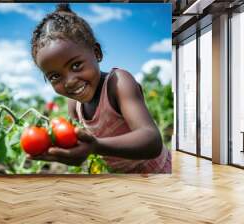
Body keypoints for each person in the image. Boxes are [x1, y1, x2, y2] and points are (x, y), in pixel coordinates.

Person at [28, 3, 171, 173]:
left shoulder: (118, 83)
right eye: (55, 76)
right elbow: (82, 144)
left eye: (75, 65)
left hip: (157, 174)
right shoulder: (74, 105)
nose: (70, 81)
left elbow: (151, 141)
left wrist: (95, 146)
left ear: (97, 53)